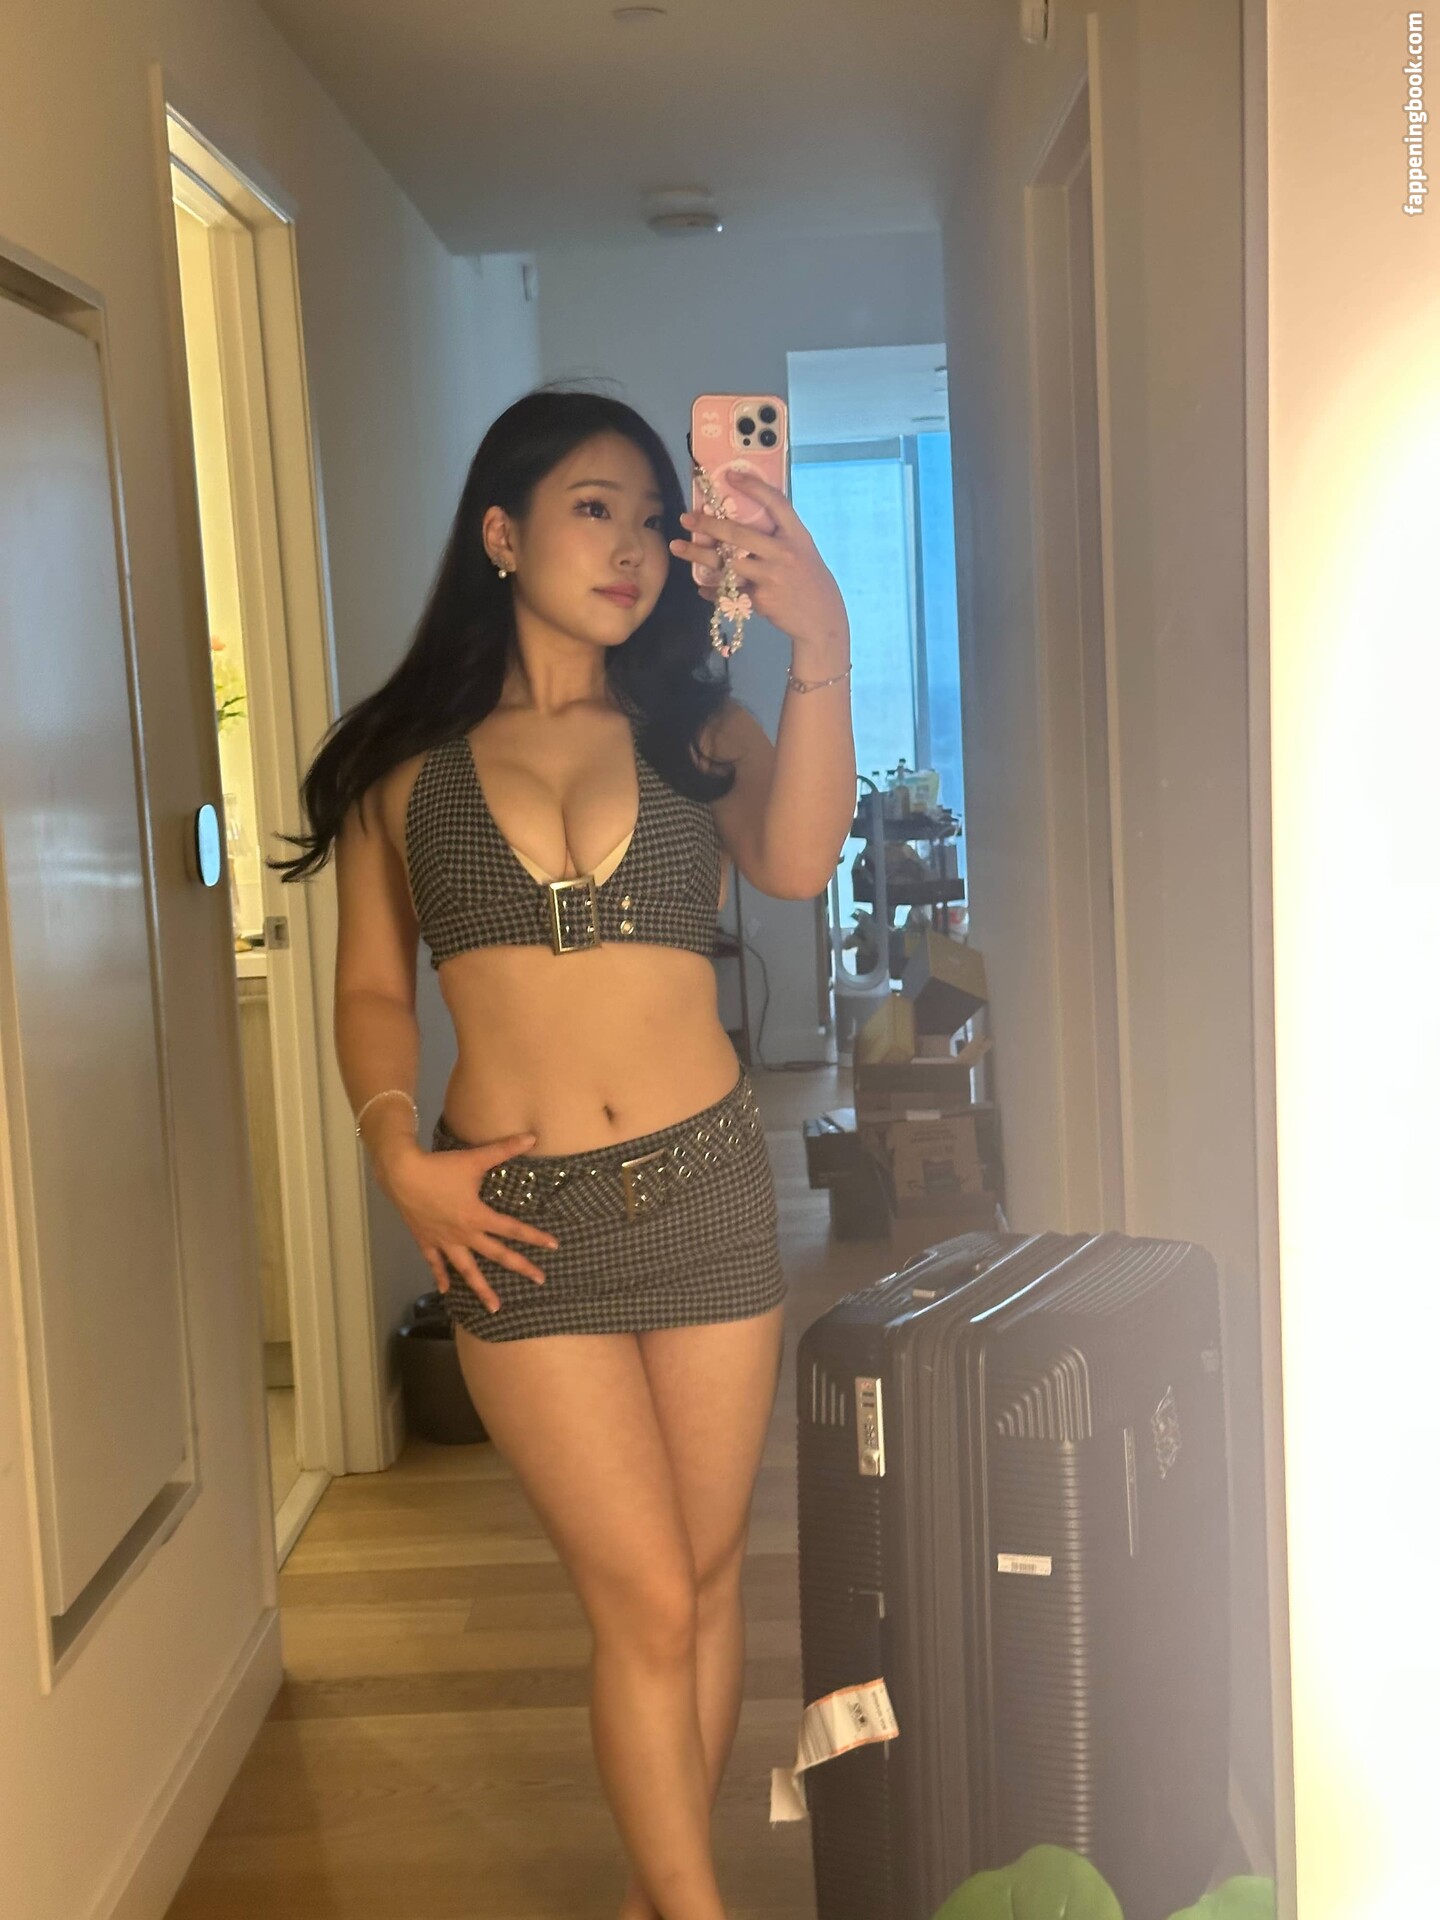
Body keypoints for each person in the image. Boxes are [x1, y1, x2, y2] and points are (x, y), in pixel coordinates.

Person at [272, 385, 856, 1920]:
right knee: (645, 1596)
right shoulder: (404, 765)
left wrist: (824, 646)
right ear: (501, 531)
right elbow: (373, 991)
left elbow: (798, 861)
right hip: (519, 1221)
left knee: (705, 1585)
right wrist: (393, 1153)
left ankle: (665, 1894)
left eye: (652, 519)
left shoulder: (696, 730)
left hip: (709, 1187)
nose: (631, 547)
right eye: (593, 509)